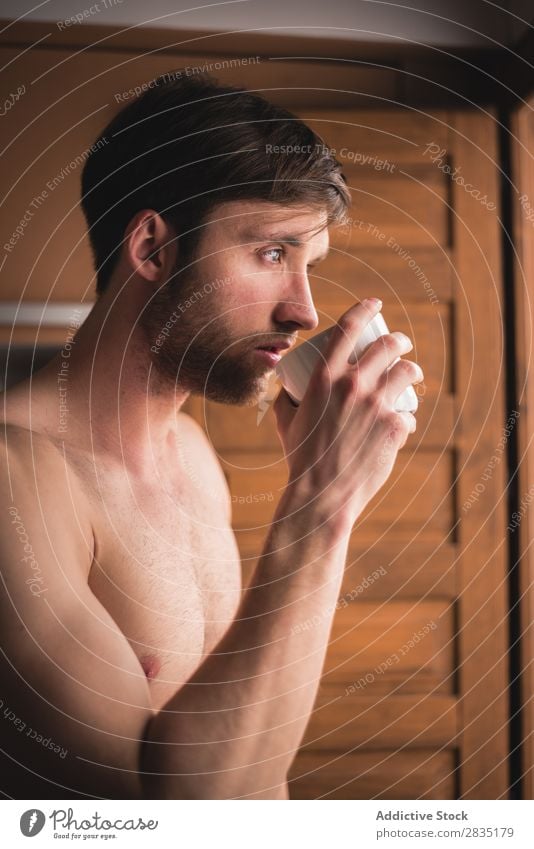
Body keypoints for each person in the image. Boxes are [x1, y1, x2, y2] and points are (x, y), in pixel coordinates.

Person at [0, 72, 423, 799]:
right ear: (153, 249)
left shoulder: (192, 457)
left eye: (310, 265)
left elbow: (257, 765)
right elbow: (169, 818)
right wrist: (322, 504)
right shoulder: (16, 481)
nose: (304, 309)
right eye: (271, 253)